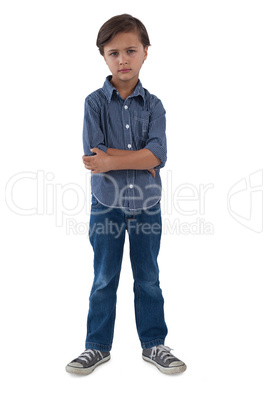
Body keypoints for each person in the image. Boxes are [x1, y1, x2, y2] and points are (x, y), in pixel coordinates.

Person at [65, 14, 186, 375]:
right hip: (107, 205)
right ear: (103, 56)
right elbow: (93, 157)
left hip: (147, 205)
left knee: (148, 276)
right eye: (113, 52)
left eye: (130, 50)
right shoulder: (94, 104)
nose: (123, 59)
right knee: (104, 277)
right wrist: (138, 159)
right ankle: (97, 347)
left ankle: (154, 344)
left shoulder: (155, 106)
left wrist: (113, 160)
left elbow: (158, 154)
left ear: (145, 52)